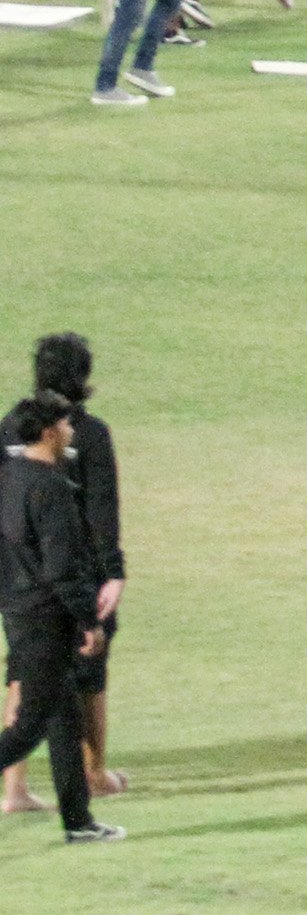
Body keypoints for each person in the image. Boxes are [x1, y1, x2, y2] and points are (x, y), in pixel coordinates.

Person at [0, 336, 117, 820]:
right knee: (49, 704)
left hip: (15, 586)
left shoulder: (10, 434)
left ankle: (54, 808)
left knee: (37, 689)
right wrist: (103, 589)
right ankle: (94, 776)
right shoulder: (75, 449)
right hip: (55, 596)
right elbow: (98, 513)